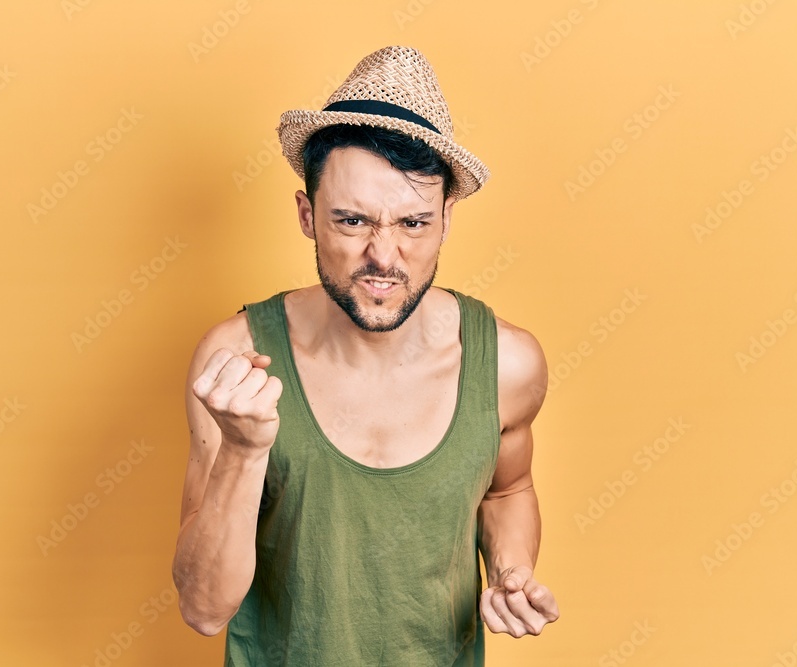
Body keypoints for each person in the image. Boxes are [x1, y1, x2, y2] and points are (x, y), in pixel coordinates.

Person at [172, 45, 559, 666]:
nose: (384, 256)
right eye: (352, 221)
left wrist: (511, 572)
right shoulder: (235, 361)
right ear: (307, 215)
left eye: (412, 224)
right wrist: (244, 450)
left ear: (445, 221)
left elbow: (508, 489)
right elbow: (203, 607)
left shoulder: (507, 365)